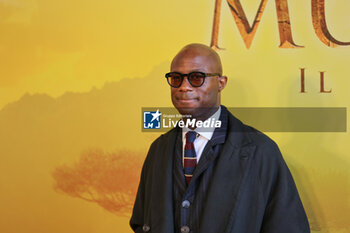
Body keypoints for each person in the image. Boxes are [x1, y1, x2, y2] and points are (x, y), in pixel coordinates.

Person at [130, 43, 310, 233]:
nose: (183, 87)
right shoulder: (158, 149)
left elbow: (288, 227)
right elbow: (141, 222)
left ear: (221, 83)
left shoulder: (261, 151)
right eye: (176, 78)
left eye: (196, 78)